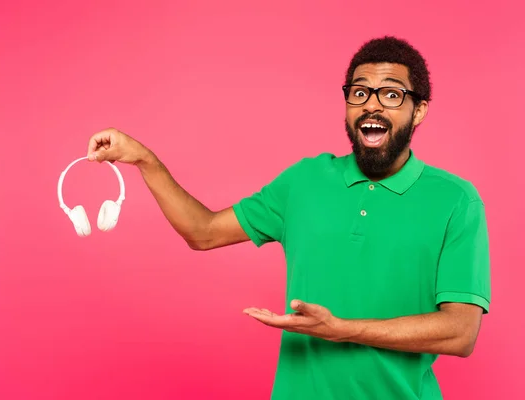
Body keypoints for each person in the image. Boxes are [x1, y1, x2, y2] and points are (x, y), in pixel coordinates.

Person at [86, 36, 491, 400]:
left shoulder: (456, 200)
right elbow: (202, 231)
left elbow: (460, 332)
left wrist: (343, 329)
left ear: (418, 110)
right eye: (360, 92)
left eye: (391, 94)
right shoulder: (305, 181)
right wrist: (144, 159)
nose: (372, 104)